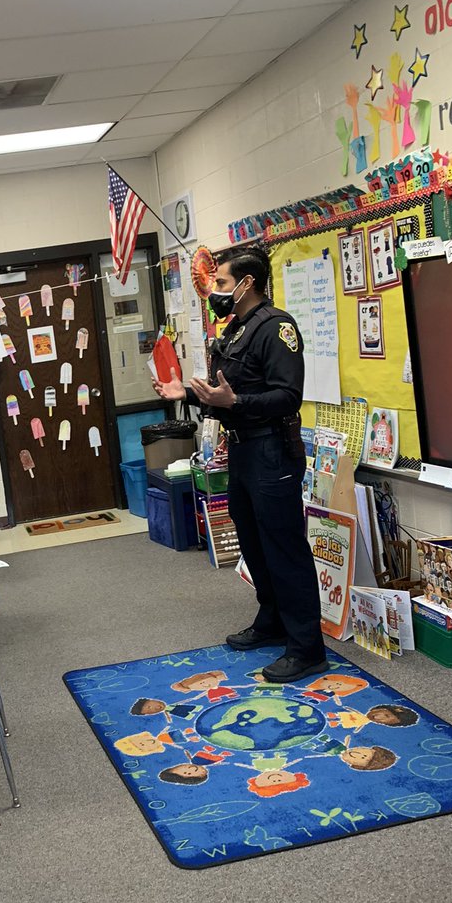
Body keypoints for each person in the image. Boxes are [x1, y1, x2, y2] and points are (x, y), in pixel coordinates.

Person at [153, 243, 326, 684]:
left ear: (247, 283)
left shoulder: (276, 327)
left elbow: (287, 396)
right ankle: (273, 621)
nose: (215, 291)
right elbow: (225, 392)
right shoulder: (235, 329)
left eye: (222, 282)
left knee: (284, 548)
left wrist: (237, 402)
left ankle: (307, 648)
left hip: (272, 450)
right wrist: (187, 393)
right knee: (253, 541)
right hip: (242, 450)